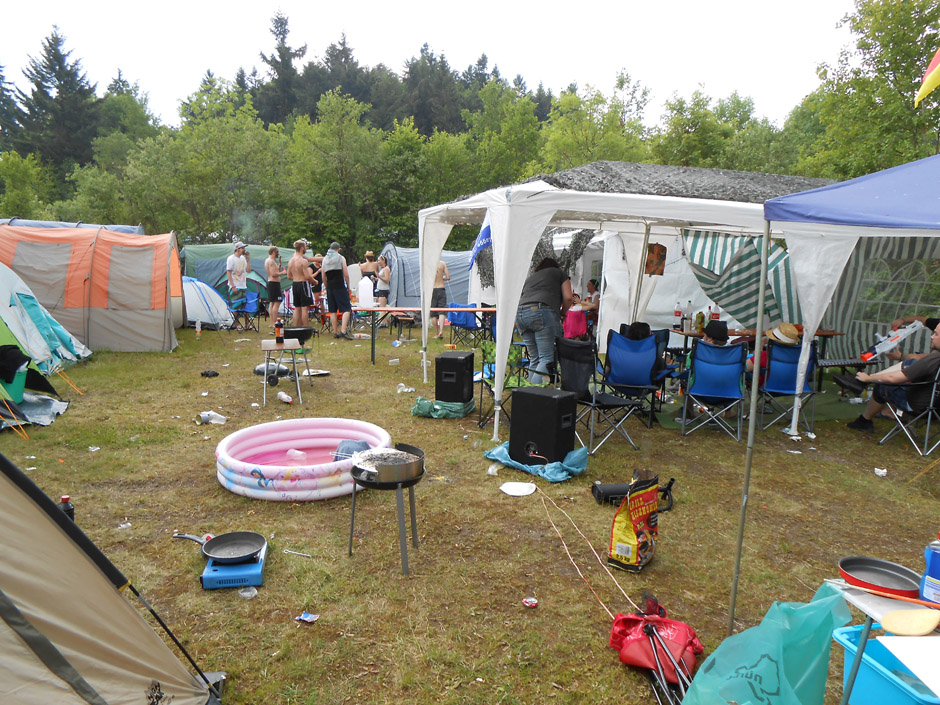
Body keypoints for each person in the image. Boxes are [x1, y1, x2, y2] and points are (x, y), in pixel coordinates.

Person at [846, 322, 940, 433]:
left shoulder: (933, 359)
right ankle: (862, 381)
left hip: (919, 407)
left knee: (882, 385)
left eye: (936, 334)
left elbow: (892, 378)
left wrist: (869, 379)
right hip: (937, 410)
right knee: (911, 362)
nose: (932, 336)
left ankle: (864, 421)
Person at [515, 258, 573, 385]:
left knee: (535, 358)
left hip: (520, 313)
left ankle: (529, 394)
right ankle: (533, 396)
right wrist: (563, 313)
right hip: (541, 311)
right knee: (546, 358)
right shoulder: (559, 273)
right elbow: (568, 297)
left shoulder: (531, 278)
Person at [322, 241, 353, 339]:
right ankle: (343, 330)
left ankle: (335, 332)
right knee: (347, 309)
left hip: (330, 286)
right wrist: (348, 286)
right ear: (338, 250)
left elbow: (323, 276)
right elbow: (346, 274)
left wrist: (327, 286)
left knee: (333, 311)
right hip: (339, 285)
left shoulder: (324, 259)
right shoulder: (340, 258)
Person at [287, 240, 315, 327]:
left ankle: (296, 327)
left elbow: (289, 276)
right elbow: (307, 276)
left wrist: (296, 277)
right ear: (302, 248)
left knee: (297, 307)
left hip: (295, 284)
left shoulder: (291, 261)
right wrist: (314, 281)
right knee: (304, 307)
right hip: (303, 284)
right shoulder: (303, 261)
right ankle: (305, 328)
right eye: (305, 246)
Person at [264, 246, 286, 325]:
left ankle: (272, 323)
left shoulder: (268, 260)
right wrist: (282, 273)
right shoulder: (271, 261)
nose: (278, 254)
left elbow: (274, 271)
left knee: (272, 303)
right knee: (276, 303)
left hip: (271, 283)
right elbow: (273, 274)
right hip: (274, 283)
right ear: (273, 252)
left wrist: (279, 265)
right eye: (277, 252)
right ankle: (274, 323)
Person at [431, 259, 450, 339]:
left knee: (433, 312)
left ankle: (436, 333)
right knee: (442, 311)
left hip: (433, 289)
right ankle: (441, 330)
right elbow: (448, 277)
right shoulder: (442, 263)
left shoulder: (429, 264)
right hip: (441, 288)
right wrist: (442, 278)